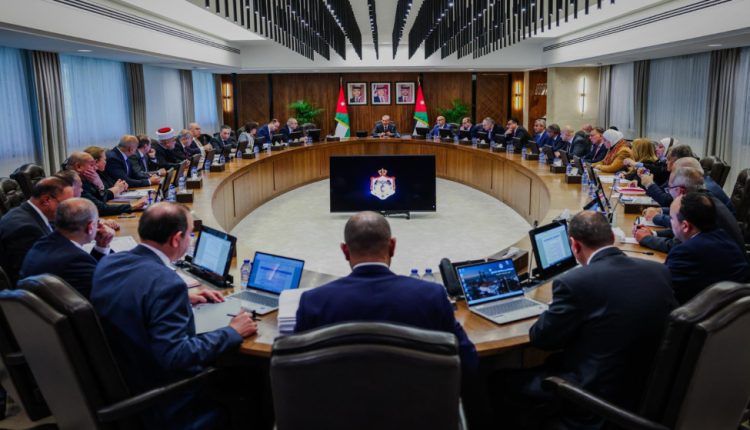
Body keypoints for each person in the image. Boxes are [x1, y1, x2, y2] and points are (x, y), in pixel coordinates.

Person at [491, 211, 675, 429]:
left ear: (574, 245)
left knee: (498, 381)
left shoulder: (574, 283)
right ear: (611, 237)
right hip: (642, 388)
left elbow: (542, 339)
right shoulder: (658, 271)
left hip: (595, 398)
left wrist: (552, 309)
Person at [91, 202, 258, 428]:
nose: (190, 240)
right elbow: (177, 355)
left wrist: (183, 298)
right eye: (190, 235)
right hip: (162, 398)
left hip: (123, 373)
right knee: (249, 379)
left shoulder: (110, 262)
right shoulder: (166, 283)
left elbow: (130, 296)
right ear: (177, 239)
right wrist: (232, 331)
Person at [296, 211, 478, 368]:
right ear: (392, 246)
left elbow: (295, 370)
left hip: (338, 399)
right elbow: (468, 360)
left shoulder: (313, 303)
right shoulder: (432, 296)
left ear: (345, 250)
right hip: (418, 398)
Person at [634, 165, 744, 254]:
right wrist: (654, 233)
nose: (668, 193)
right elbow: (682, 232)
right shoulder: (702, 199)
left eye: (669, 189)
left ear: (680, 190)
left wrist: (647, 238)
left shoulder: (699, 207)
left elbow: (677, 246)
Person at [20, 198, 114, 298]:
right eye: (97, 222)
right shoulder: (76, 260)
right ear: (90, 227)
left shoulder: (43, 242)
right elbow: (109, 289)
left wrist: (102, 246)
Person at [665, 192, 749, 304]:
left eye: (671, 218)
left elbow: (664, 291)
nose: (670, 222)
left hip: (719, 312)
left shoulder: (686, 253)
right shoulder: (722, 236)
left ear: (685, 226)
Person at [0, 176, 75, 284]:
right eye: (66, 205)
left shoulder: (30, 213)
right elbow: (32, 278)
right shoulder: (26, 229)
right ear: (46, 200)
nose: (69, 210)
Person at [67, 151, 144, 216]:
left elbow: (102, 199)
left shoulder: (87, 179)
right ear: (78, 167)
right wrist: (132, 206)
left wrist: (100, 185)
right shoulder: (72, 182)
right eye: (91, 165)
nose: (96, 168)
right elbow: (100, 208)